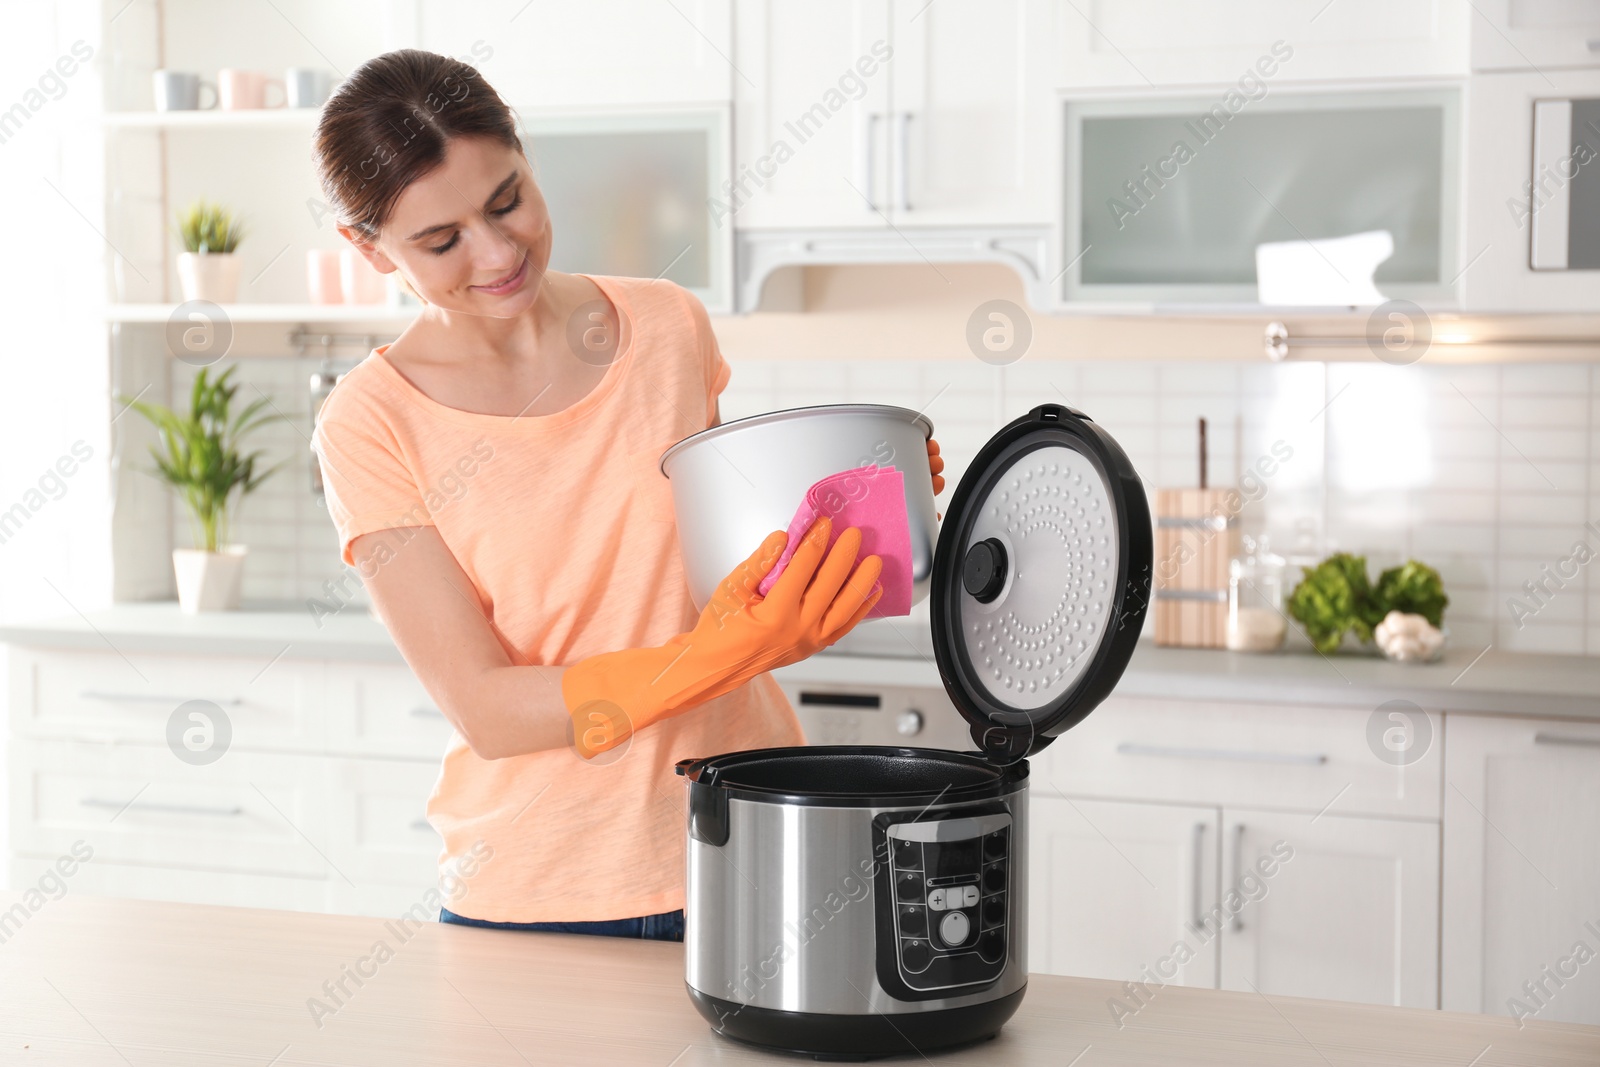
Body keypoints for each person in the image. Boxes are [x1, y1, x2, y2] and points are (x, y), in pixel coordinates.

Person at [308, 50, 946, 941]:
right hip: (541, 890)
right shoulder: (369, 422)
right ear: (368, 249)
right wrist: (723, 651)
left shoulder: (667, 326)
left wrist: (860, 507)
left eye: (507, 201)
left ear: (527, 160)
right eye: (441, 241)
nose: (497, 253)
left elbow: (720, 596)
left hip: (752, 840)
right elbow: (487, 707)